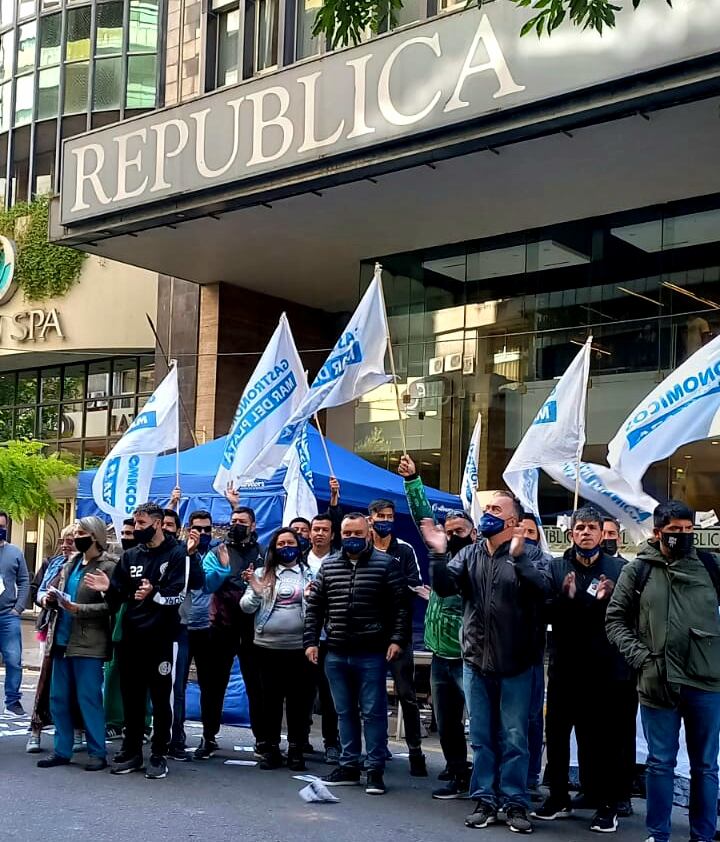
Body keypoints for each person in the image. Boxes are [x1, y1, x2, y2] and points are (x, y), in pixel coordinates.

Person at [422, 491, 548, 834]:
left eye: (495, 509)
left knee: (514, 737)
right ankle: (486, 799)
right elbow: (446, 587)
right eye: (486, 508)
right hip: (476, 660)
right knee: (481, 736)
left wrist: (520, 560)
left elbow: (542, 592)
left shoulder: (534, 555)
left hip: (517, 664)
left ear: (512, 521)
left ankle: (516, 802)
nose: (487, 514)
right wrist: (437, 552)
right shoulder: (471, 554)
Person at [607, 500, 720, 842]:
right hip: (658, 681)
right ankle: (658, 833)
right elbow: (615, 620)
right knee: (660, 763)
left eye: (688, 530)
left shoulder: (709, 566)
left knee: (706, 766)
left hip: (705, 682)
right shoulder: (637, 570)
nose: (683, 537)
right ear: (657, 533)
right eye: (674, 532)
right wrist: (642, 658)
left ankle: (702, 834)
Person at [533, 506, 630, 834]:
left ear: (603, 533)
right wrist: (565, 598)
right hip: (565, 669)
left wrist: (605, 600)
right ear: (571, 534)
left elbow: (630, 617)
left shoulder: (620, 569)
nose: (586, 533)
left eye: (592, 528)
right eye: (580, 528)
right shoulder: (556, 568)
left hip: (606, 671)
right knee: (557, 735)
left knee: (604, 741)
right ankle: (558, 797)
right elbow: (543, 611)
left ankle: (607, 805)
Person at [305, 513, 408, 796]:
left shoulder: (387, 565)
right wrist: (311, 641)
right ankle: (348, 765)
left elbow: (400, 607)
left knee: (373, 713)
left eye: (358, 533)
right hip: (335, 652)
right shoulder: (328, 567)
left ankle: (375, 769)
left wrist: (397, 639)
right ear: (341, 535)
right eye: (347, 533)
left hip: (371, 653)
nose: (353, 538)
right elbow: (315, 608)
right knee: (344, 712)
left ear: (369, 533)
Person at [85, 502, 189, 780]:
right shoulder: (130, 556)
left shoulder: (177, 554)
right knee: (131, 697)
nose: (137, 528)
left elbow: (177, 595)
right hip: (131, 636)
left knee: (159, 698)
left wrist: (153, 592)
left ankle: (158, 753)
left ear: (157, 523)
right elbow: (118, 595)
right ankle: (131, 750)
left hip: (161, 638)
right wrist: (108, 589)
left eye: (142, 524)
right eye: (136, 523)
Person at [398, 454, 472, 799]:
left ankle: (485, 778)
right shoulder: (441, 554)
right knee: (445, 720)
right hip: (440, 655)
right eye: (450, 531)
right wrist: (413, 481)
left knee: (483, 726)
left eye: (462, 531)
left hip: (470, 657)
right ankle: (457, 769)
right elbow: (423, 517)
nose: (454, 535)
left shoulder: (475, 560)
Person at [36, 517, 116, 771]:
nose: (77, 537)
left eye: (82, 533)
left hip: (88, 644)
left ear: (95, 536)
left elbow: (111, 606)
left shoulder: (108, 566)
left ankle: (97, 752)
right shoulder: (71, 564)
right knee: (58, 698)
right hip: (61, 639)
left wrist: (77, 608)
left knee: (88, 698)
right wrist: (51, 599)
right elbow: (58, 591)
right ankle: (62, 749)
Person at [241, 527, 315, 771]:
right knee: (269, 701)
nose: (286, 547)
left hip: (300, 649)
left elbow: (320, 607)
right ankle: (271, 749)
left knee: (298, 703)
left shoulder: (310, 574)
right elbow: (246, 608)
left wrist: (312, 597)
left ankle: (296, 749)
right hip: (266, 649)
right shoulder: (263, 573)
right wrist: (256, 590)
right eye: (281, 543)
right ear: (273, 548)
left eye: (290, 542)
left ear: (299, 546)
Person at [197, 505, 265, 760]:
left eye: (242, 521)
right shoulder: (217, 551)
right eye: (234, 520)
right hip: (221, 625)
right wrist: (224, 569)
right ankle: (208, 735)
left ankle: (262, 739)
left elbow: (269, 585)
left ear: (253, 526)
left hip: (254, 629)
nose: (236, 524)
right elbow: (207, 584)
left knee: (257, 686)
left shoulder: (263, 553)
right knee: (213, 685)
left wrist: (253, 582)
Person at [368, 497, 427, 777]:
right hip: (367, 631)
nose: (385, 520)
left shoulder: (404, 549)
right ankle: (376, 748)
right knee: (370, 694)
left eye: (390, 516)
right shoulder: (362, 548)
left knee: (407, 693)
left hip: (399, 630)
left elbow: (414, 586)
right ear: (371, 518)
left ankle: (415, 751)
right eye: (380, 515)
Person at [27, 526, 78, 753]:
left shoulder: (90, 566)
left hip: (81, 632)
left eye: (71, 541)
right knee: (46, 683)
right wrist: (45, 599)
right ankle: (36, 731)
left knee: (79, 685)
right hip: (53, 630)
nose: (65, 545)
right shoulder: (54, 563)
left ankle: (78, 731)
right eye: (63, 540)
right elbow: (37, 591)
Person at [168, 509, 211, 762]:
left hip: (186, 627)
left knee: (179, 688)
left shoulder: (186, 553)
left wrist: (190, 554)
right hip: (158, 628)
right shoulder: (159, 553)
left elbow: (197, 582)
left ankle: (177, 739)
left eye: (207, 529)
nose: (202, 533)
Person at [518, 512, 551, 798]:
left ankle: (530, 776)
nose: (527, 537)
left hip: (530, 654)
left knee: (530, 718)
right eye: (522, 531)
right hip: (500, 654)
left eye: (532, 533)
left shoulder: (546, 566)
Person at [307, 511, 340, 764]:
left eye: (324, 529)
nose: (319, 533)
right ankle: (301, 739)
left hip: (331, 638)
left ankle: (332, 743)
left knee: (329, 696)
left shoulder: (339, 561)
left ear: (332, 534)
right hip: (303, 637)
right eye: (315, 529)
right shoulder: (298, 561)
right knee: (302, 692)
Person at [0, 510, 30, 717]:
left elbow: (24, 581)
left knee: (13, 659)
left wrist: (18, 607)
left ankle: (12, 702)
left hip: (7, 615)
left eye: (1, 527)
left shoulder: (15, 553)